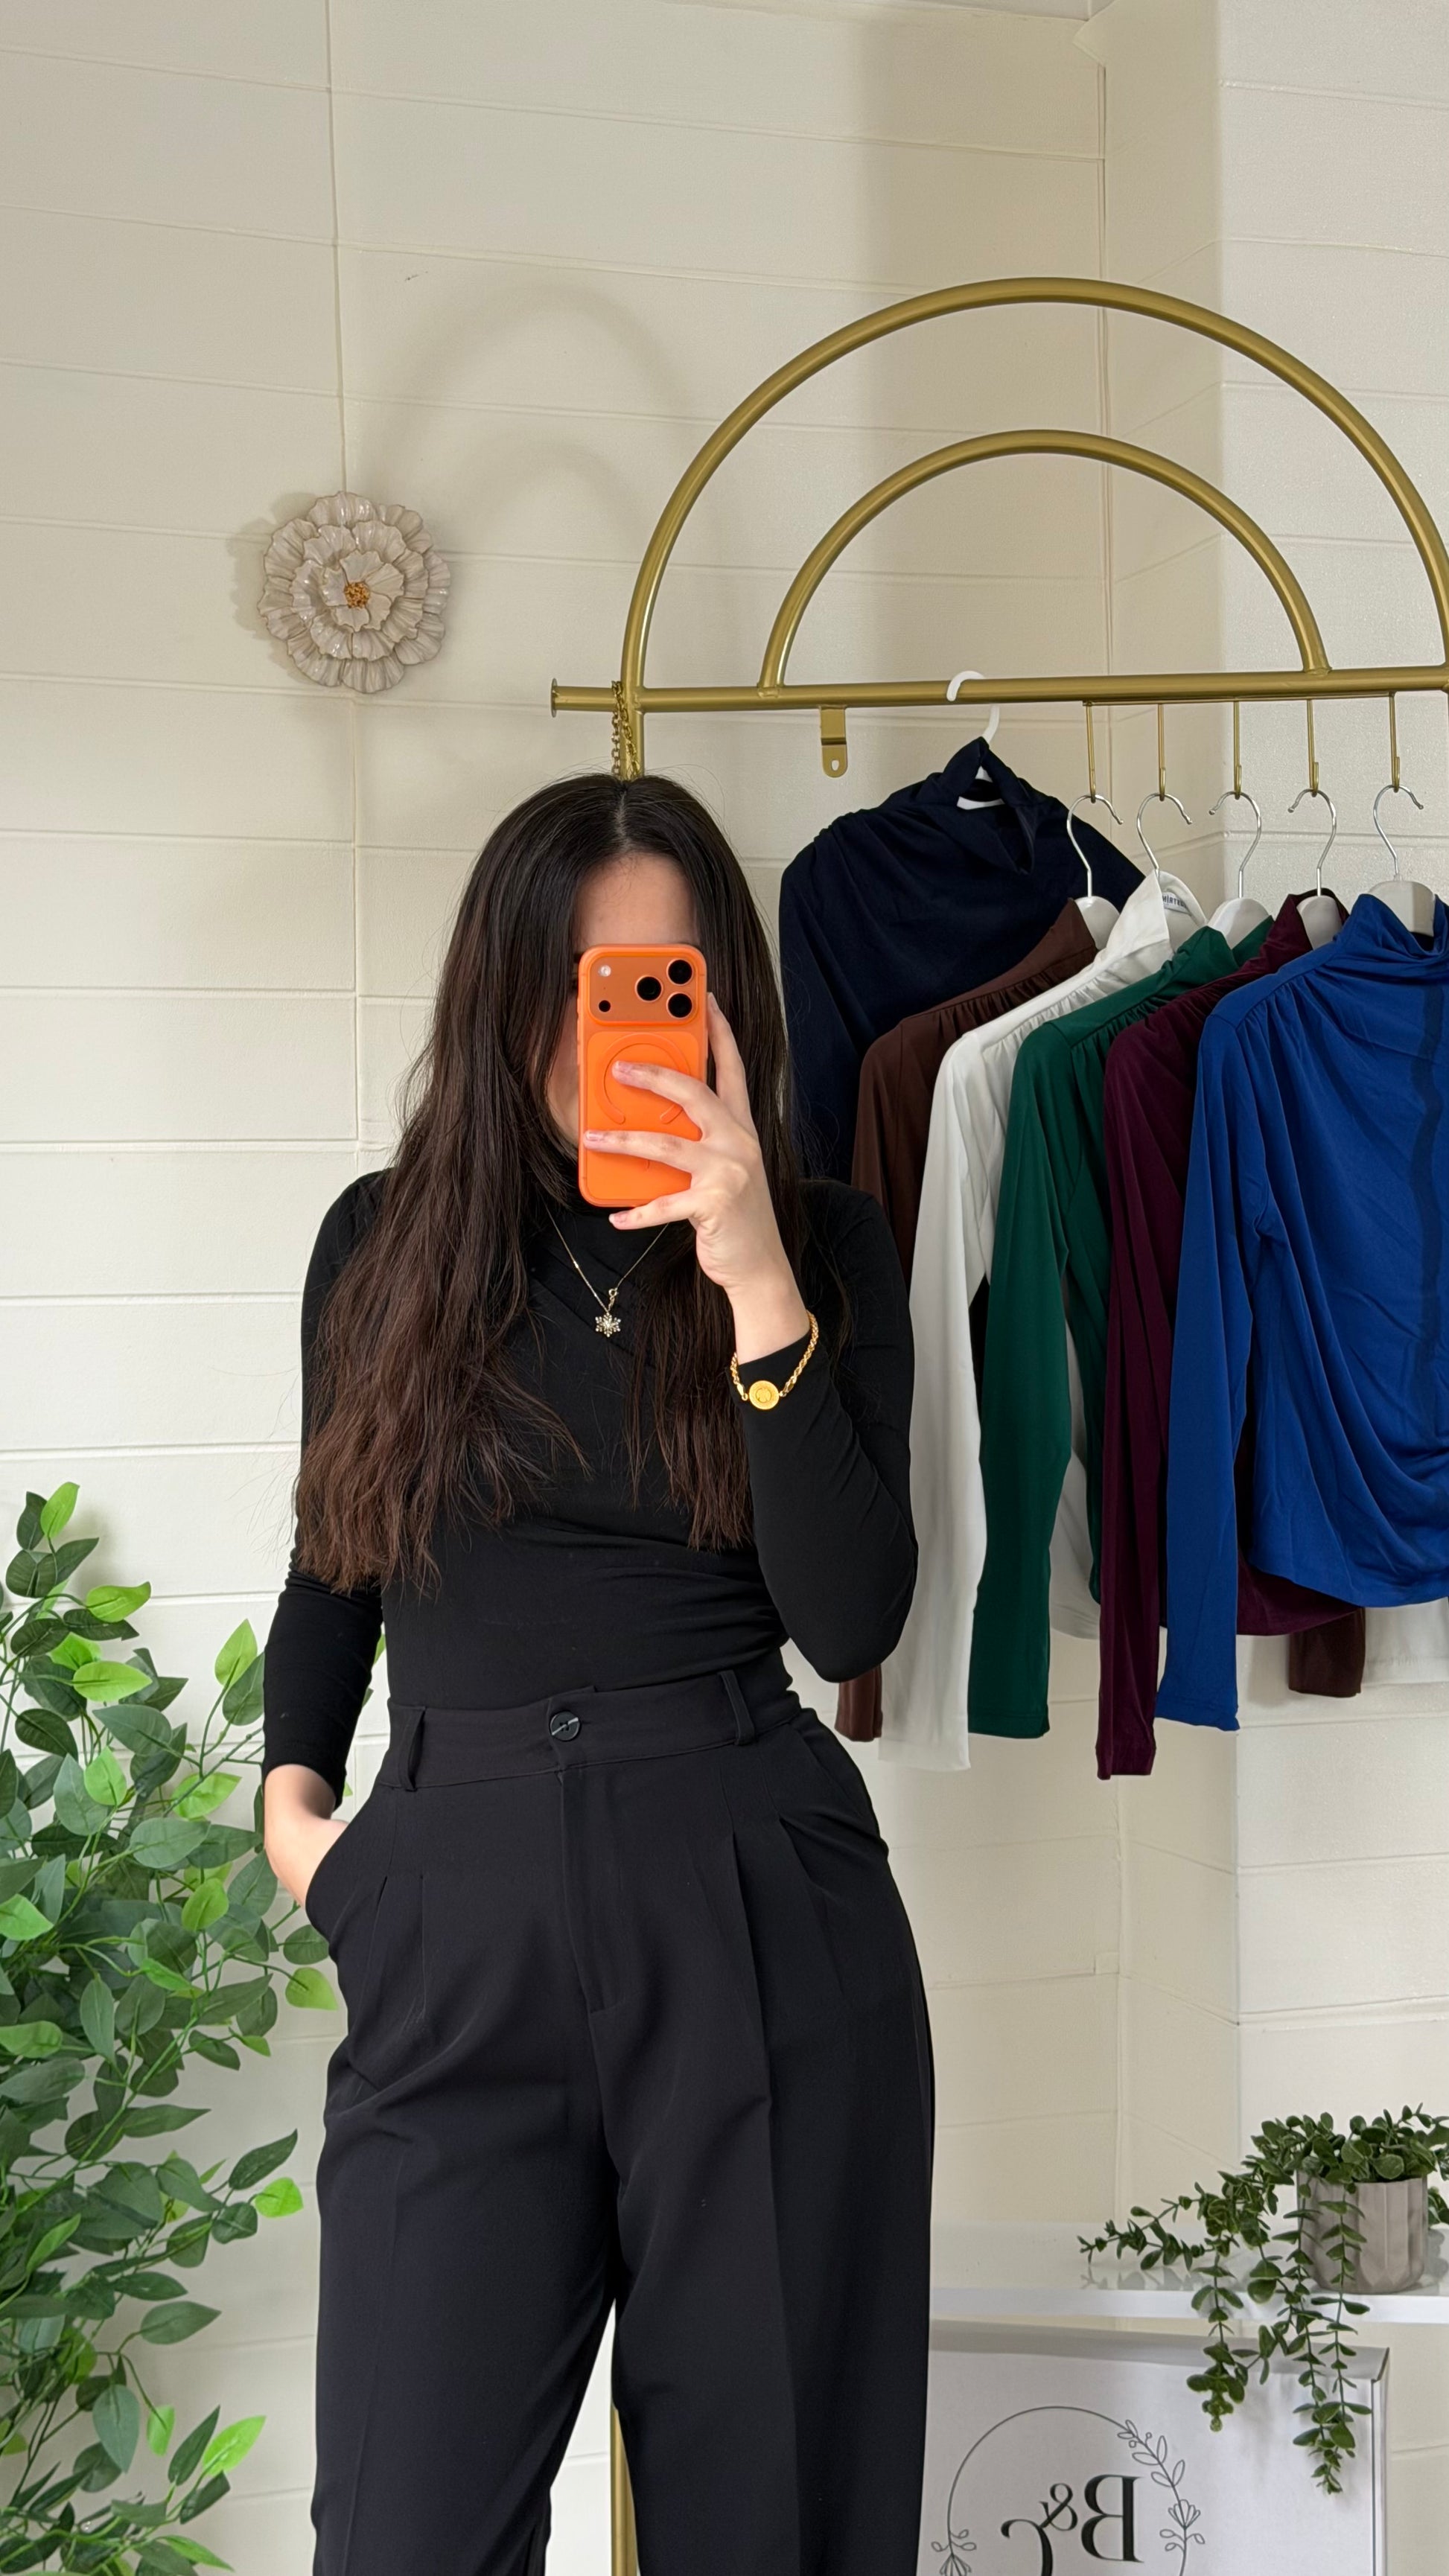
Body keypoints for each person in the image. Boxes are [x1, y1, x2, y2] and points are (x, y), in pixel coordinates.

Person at [261, 772, 935, 2576]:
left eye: (658, 981)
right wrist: (299, 1821)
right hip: (450, 1910)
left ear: (718, 1001)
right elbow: (335, 1557)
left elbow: (851, 1618)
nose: (612, 1030)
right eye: (579, 980)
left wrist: (756, 1279)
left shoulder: (824, 1245)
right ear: (504, 990)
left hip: (752, 1889)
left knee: (772, 2521)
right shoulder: (380, 1244)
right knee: (401, 2528)